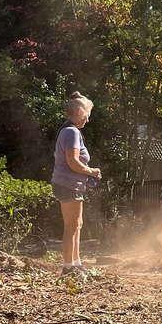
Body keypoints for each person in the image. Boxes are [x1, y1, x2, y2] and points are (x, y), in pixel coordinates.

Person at [51, 93, 101, 278]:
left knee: (78, 225)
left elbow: (58, 157)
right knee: (71, 227)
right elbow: (72, 161)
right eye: (87, 115)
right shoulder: (71, 132)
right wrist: (92, 171)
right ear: (79, 112)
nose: (87, 120)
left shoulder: (66, 130)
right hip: (68, 185)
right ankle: (68, 268)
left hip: (70, 184)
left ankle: (76, 263)